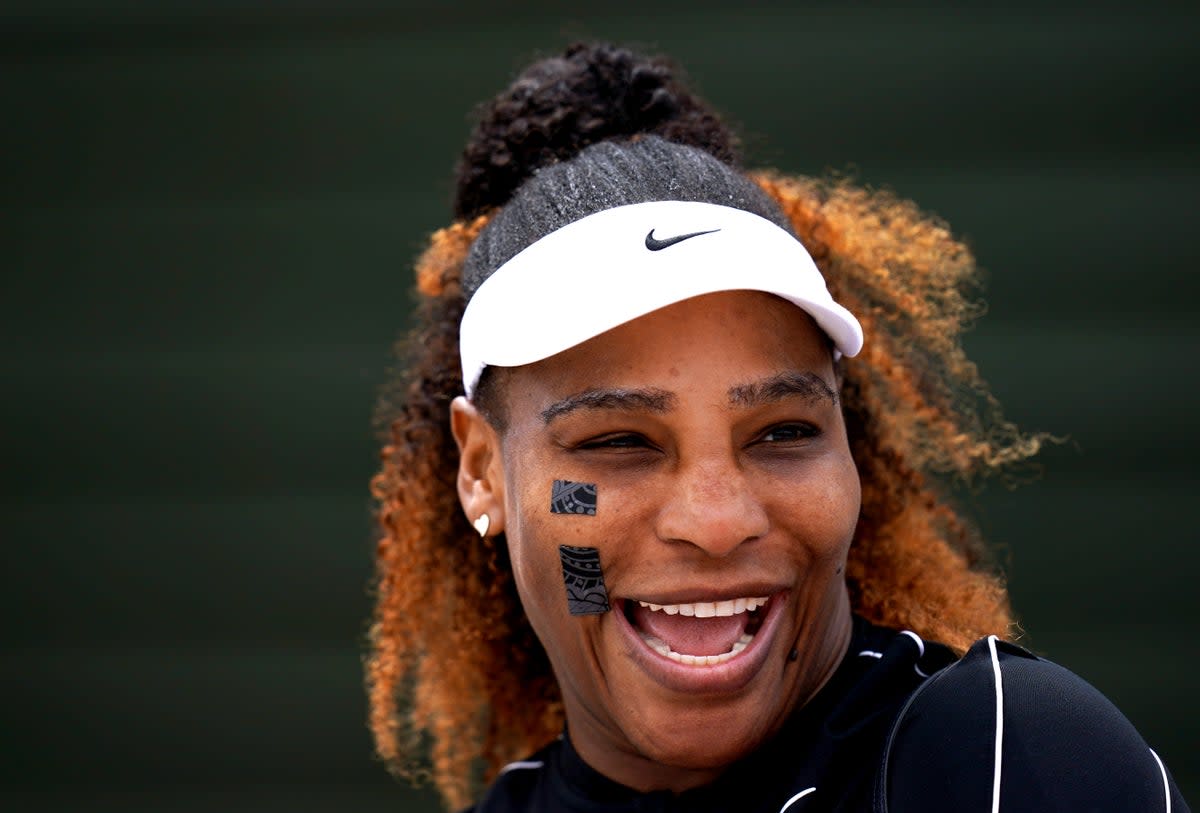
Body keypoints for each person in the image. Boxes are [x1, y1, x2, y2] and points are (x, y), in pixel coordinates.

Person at [366, 43, 1190, 813]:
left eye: (782, 433)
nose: (718, 521)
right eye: (619, 442)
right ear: (480, 467)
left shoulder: (998, 758)